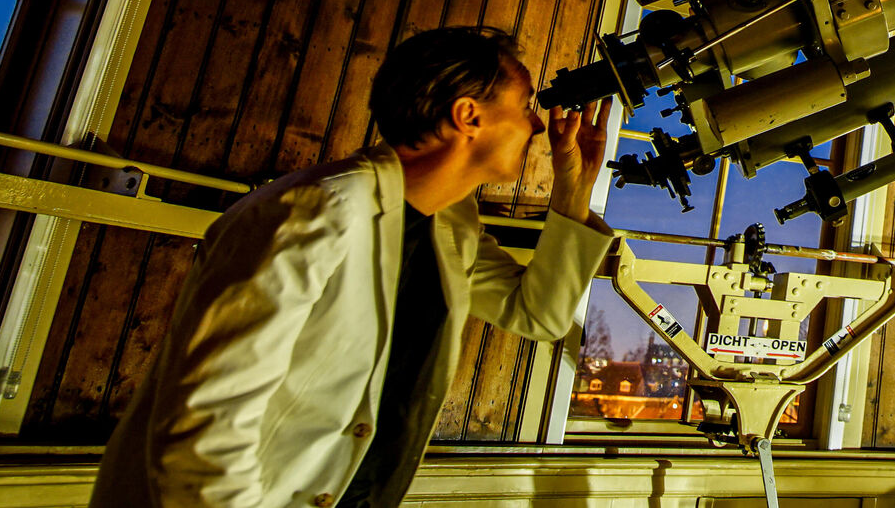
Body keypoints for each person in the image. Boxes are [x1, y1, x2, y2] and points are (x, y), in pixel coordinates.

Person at [91, 27, 614, 508]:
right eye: (525, 106)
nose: (538, 124)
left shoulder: (449, 225)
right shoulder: (313, 214)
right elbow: (207, 429)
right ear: (467, 116)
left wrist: (574, 188)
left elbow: (537, 315)